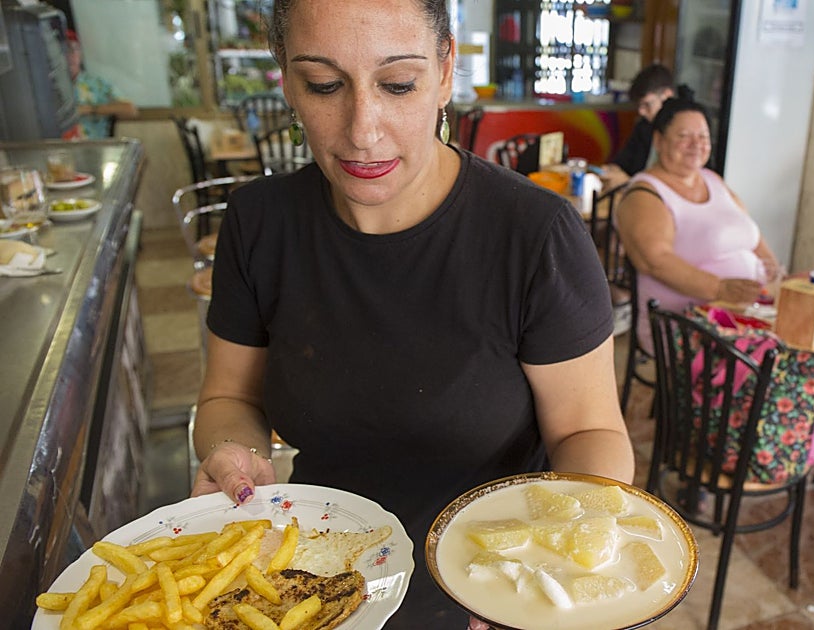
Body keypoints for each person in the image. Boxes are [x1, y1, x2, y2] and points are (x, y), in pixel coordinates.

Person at [189, 1, 635, 627]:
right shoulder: (260, 223)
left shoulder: (535, 236)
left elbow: (591, 433)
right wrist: (234, 453)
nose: (363, 129)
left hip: (486, 591)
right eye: (323, 85)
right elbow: (227, 400)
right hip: (315, 587)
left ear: (446, 69)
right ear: (286, 78)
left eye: (398, 84)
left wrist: (552, 568)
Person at [614, 96, 781, 350]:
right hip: (686, 326)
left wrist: (772, 274)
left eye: (703, 137)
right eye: (684, 136)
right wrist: (720, 288)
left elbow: (752, 234)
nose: (696, 145)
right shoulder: (644, 194)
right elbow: (654, 261)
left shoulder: (712, 180)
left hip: (743, 315)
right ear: (658, 141)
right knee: (777, 365)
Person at [600, 64, 677, 187]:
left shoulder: (680, 135)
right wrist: (612, 169)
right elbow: (623, 161)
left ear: (667, 95)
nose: (641, 111)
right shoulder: (644, 126)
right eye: (639, 105)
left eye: (647, 104)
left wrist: (629, 183)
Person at [65, 30, 138, 139]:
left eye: (72, 49)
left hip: (94, 149)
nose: (68, 56)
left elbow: (130, 110)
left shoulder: (96, 84)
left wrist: (89, 110)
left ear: (80, 53)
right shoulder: (46, 88)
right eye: (63, 51)